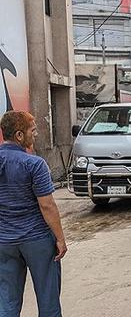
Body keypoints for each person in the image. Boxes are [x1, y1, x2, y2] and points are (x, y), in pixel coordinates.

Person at [0, 111, 67, 317]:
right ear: (19, 135)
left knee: (7, 300)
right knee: (48, 299)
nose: (35, 135)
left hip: (4, 241)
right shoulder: (34, 164)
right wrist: (60, 239)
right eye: (33, 130)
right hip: (36, 239)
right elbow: (47, 206)